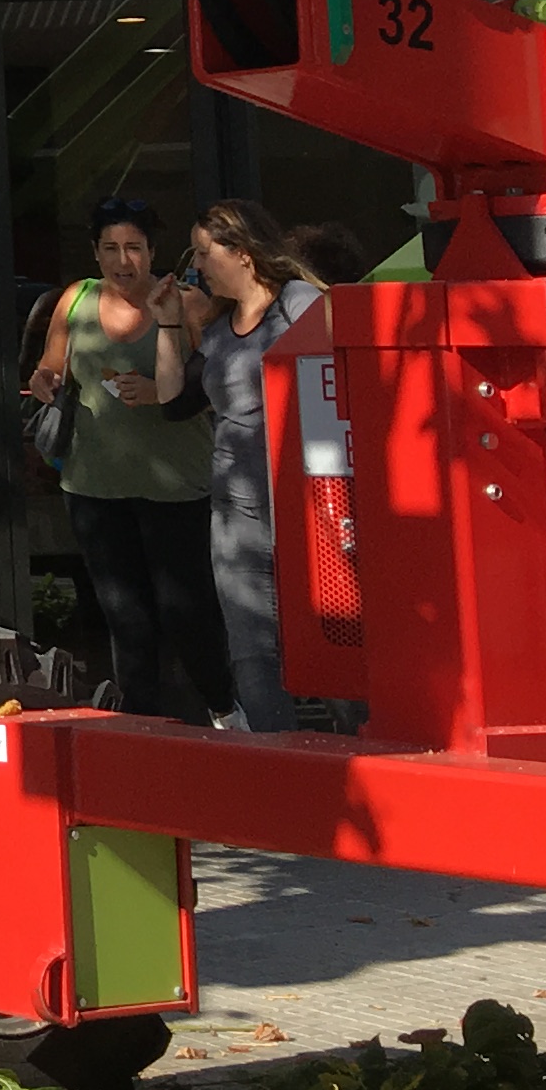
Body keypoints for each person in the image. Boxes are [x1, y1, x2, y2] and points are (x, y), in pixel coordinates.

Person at [22, 197, 230, 724]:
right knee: (124, 617)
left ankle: (227, 711)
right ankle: (138, 724)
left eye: (133, 248)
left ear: (152, 253)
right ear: (95, 253)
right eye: (111, 248)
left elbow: (219, 385)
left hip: (176, 487)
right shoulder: (76, 300)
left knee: (187, 614)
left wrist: (161, 391)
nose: (123, 260)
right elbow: (51, 368)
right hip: (95, 486)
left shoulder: (186, 304)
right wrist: (44, 381)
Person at [150, 196, 323, 735]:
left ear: (242, 251)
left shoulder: (300, 303)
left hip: (307, 498)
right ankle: (280, 761)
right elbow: (173, 400)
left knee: (333, 631)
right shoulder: (222, 330)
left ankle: (358, 749)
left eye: (204, 252)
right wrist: (168, 325)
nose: (196, 266)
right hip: (237, 508)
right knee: (251, 648)